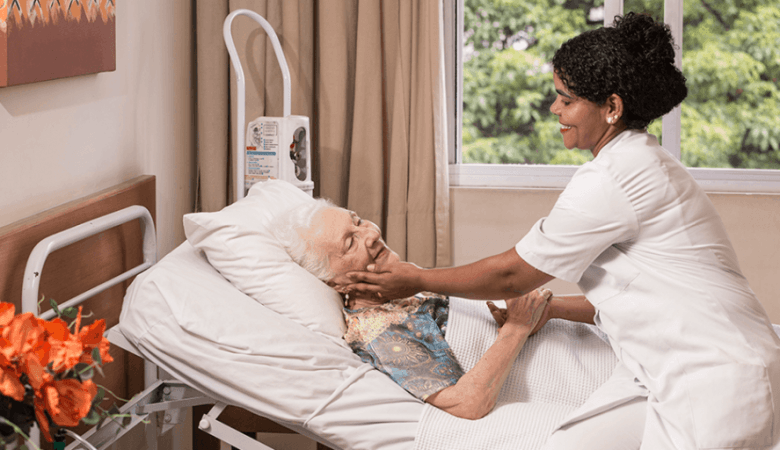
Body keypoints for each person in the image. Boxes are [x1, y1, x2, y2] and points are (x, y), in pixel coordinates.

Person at [344, 12, 780, 450]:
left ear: (612, 107)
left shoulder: (614, 177)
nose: (555, 109)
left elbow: (513, 275)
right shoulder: (641, 163)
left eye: (566, 99)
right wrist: (549, 310)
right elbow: (636, 298)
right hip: (664, 369)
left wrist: (416, 277)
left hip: (716, 377)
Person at [273, 197, 559, 420]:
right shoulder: (379, 331)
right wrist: (517, 327)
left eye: (358, 221)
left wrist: (522, 316)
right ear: (335, 283)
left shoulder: (404, 290)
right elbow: (466, 403)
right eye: (350, 242)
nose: (370, 234)